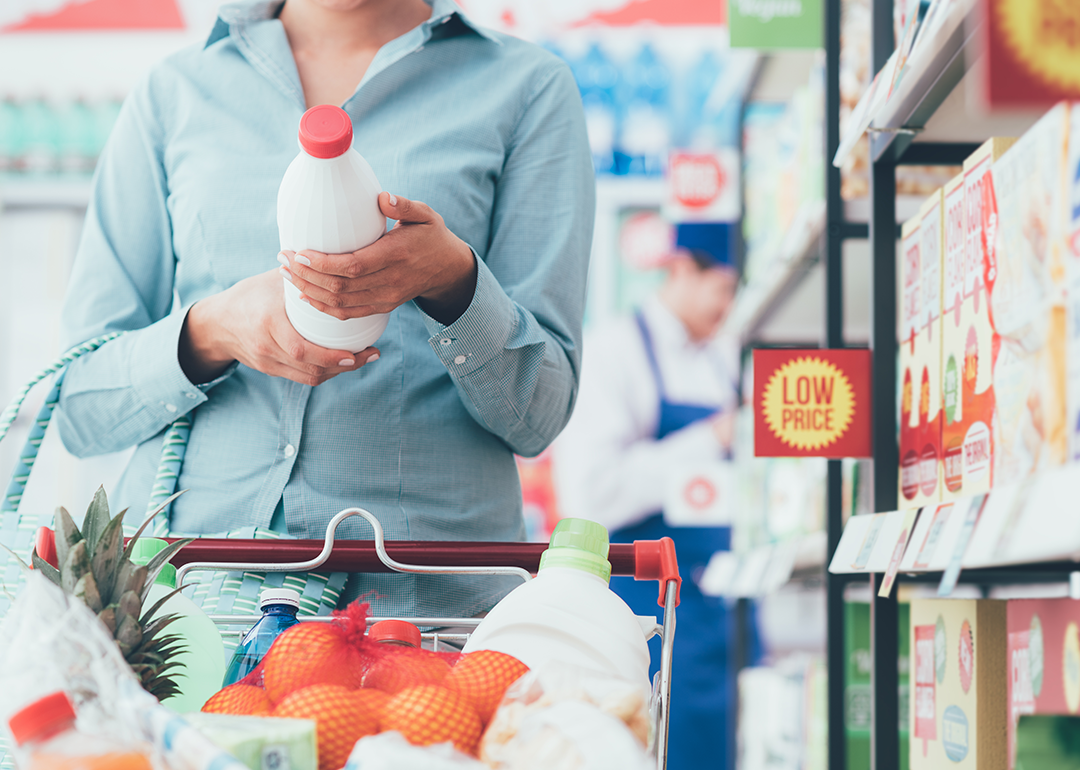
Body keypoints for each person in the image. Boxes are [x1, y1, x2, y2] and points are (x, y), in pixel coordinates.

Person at [55, 0, 594, 618]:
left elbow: (540, 417)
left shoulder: (526, 88)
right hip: (190, 608)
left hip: (421, 617)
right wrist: (210, 332)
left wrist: (454, 281)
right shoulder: (176, 92)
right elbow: (79, 406)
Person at [553, 222, 747, 770]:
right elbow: (593, 492)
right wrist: (711, 439)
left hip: (721, 613)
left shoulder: (722, 360)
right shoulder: (616, 351)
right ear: (683, 268)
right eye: (724, 290)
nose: (729, 307)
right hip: (648, 615)